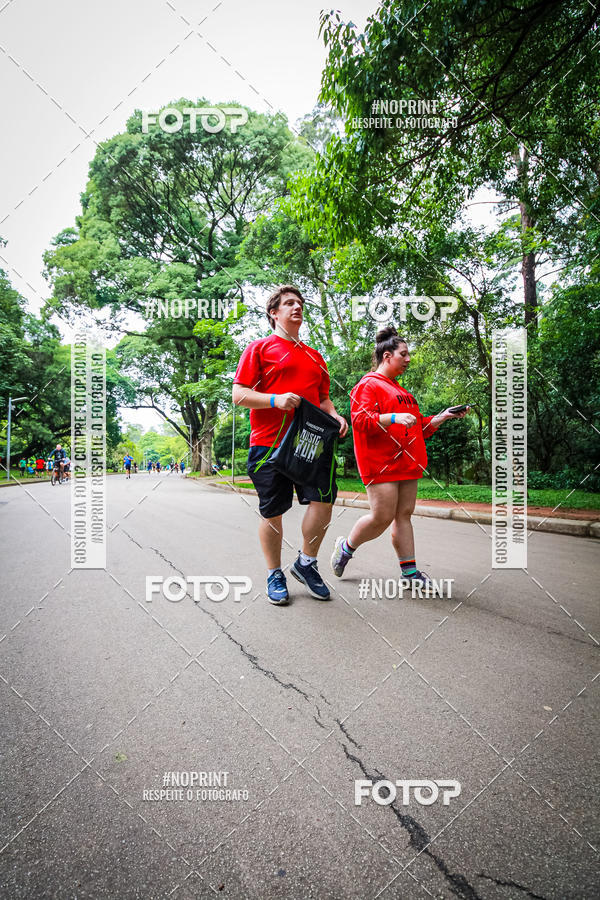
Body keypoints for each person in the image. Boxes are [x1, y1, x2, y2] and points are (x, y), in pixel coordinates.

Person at [233, 285, 348, 606]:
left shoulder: (315, 356)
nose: (297, 307)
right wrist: (274, 399)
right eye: (288, 303)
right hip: (268, 444)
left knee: (323, 500)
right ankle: (274, 573)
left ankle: (306, 563)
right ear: (274, 313)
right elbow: (239, 394)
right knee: (273, 511)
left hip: (310, 443)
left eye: (299, 303)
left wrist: (336, 417)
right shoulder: (259, 348)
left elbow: (323, 399)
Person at [330, 326, 467, 587]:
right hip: (380, 463)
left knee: (404, 515)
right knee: (381, 517)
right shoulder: (368, 385)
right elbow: (360, 421)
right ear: (387, 356)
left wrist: (442, 417)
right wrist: (391, 417)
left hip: (408, 461)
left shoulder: (402, 391)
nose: (408, 359)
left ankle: (410, 574)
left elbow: (418, 428)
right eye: (403, 354)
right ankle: (345, 548)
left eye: (408, 354)